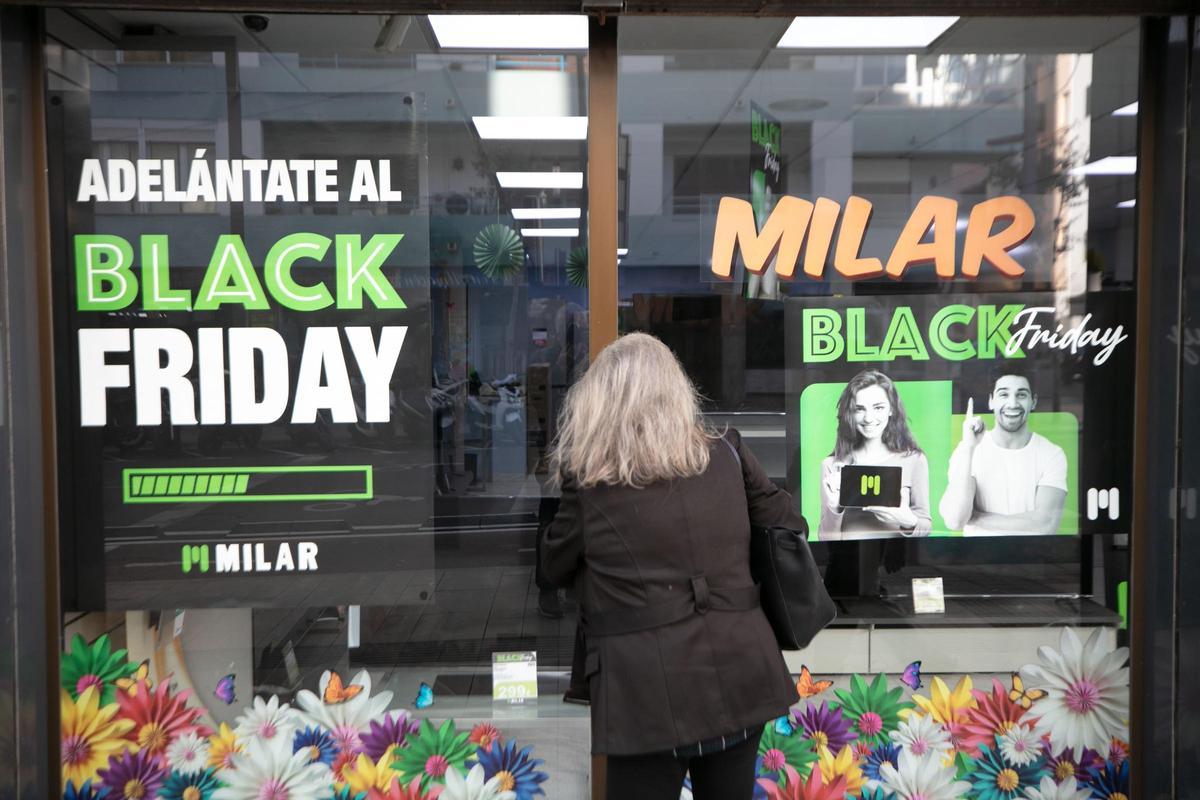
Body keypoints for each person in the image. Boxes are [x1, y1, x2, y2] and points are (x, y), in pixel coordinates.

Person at [540, 333, 801, 800]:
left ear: (599, 401)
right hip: (741, 669)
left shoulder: (590, 482)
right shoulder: (727, 451)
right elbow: (787, 524)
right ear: (677, 391)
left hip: (645, 695)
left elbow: (552, 567)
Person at [939, 365, 1068, 536]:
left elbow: (1046, 524)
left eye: (1021, 395)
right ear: (991, 401)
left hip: (1032, 553)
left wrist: (974, 517)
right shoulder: (968, 451)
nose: (1012, 404)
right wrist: (968, 447)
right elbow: (955, 520)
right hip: (978, 552)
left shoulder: (1052, 454)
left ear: (1033, 402)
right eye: (1004, 394)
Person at [818, 370, 932, 540]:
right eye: (859, 409)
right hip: (849, 555)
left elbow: (926, 528)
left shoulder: (914, 460)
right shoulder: (831, 465)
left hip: (898, 555)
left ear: (891, 409)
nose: (869, 418)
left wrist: (908, 520)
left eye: (878, 407)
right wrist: (835, 508)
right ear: (850, 413)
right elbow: (825, 539)